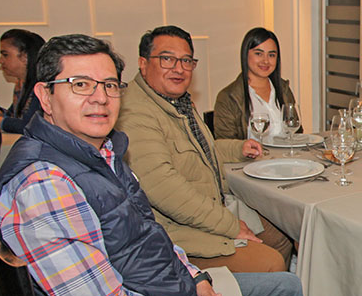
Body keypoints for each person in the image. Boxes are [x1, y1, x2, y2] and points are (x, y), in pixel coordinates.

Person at [0, 33, 321, 296]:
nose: (99, 97)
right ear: (45, 96)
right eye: (80, 84)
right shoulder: (44, 183)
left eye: (109, 85)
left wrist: (195, 277)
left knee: (287, 289)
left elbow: (150, 233)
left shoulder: (104, 154)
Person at [117, 26, 292, 273]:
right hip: (175, 232)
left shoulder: (176, 102)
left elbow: (201, 149)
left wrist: (238, 148)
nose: (179, 68)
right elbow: (166, 191)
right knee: (270, 261)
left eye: (186, 60)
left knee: (283, 234)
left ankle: (267, 294)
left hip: (210, 207)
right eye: (167, 59)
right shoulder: (135, 112)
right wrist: (229, 225)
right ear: (143, 63)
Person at [213, 27, 299, 142]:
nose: (266, 61)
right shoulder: (228, 97)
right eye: (259, 54)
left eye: (271, 55)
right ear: (245, 55)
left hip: (287, 153)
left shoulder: (284, 90)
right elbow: (226, 145)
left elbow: (296, 132)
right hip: (251, 155)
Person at [0, 29, 45, 134]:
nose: (0, 60)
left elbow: (32, 127)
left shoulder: (42, 88)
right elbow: (14, 116)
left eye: (5, 55)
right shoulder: (21, 84)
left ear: (25, 57)